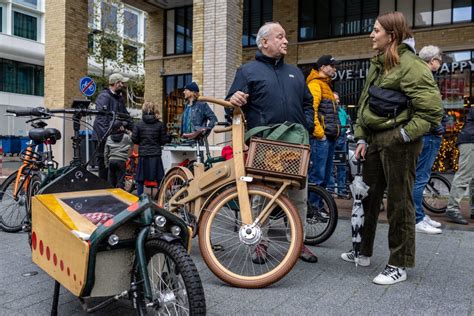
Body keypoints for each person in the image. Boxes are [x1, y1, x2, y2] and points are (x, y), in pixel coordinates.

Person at [340, 12, 443, 285]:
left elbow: (432, 111)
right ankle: (361, 252)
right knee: (369, 198)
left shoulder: (413, 66)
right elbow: (363, 103)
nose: (371, 35)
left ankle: (398, 264)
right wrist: (361, 138)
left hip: (399, 143)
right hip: (374, 140)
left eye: (376, 30)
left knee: (399, 203)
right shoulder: (378, 63)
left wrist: (404, 135)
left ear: (391, 35)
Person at [227, 21, 317, 263]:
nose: (285, 41)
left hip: (296, 144)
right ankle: (258, 243)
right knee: (262, 196)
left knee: (299, 197)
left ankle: (298, 244)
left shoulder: (295, 72)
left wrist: (307, 124)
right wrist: (233, 100)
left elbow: (308, 103)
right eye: (280, 37)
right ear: (264, 42)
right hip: (265, 144)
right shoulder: (247, 71)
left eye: (285, 37)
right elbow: (231, 109)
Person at [412, 45, 445, 234]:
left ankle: (420, 215)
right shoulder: (424, 78)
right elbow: (424, 107)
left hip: (429, 133)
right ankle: (417, 218)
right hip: (428, 134)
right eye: (439, 60)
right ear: (432, 61)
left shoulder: (423, 76)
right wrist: (436, 126)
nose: (439, 64)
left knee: (421, 177)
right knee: (420, 177)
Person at [306, 55, 341, 196]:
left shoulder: (325, 85)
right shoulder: (315, 84)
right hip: (321, 139)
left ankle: (317, 209)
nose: (335, 68)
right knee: (318, 177)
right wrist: (320, 135)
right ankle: (313, 210)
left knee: (324, 178)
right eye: (332, 66)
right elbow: (311, 110)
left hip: (327, 138)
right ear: (322, 67)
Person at [93, 73, 131, 181]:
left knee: (113, 167)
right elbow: (102, 120)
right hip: (102, 137)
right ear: (116, 83)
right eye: (121, 82)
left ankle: (112, 191)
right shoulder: (104, 97)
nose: (123, 85)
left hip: (112, 137)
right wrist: (110, 135)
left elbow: (126, 116)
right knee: (104, 166)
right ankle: (103, 190)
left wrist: (136, 129)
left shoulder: (119, 98)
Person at [444, 104, 474, 224]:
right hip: (471, 142)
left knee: (471, 178)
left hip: (470, 141)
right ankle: (452, 209)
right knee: (464, 176)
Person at [132, 101, 168, 196]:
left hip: (143, 155)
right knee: (160, 178)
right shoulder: (160, 125)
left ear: (143, 110)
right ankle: (162, 198)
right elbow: (163, 140)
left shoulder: (138, 124)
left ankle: (140, 199)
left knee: (140, 179)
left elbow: (134, 139)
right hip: (155, 154)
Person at [328, 92, 351, 196]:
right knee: (331, 166)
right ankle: (331, 189)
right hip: (332, 139)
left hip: (341, 140)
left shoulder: (342, 111)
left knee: (342, 166)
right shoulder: (329, 111)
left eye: (337, 99)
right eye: (334, 98)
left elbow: (347, 124)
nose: (336, 101)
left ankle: (341, 189)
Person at [104, 120, 133, 188]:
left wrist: (106, 163)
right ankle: (120, 195)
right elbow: (132, 143)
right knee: (120, 180)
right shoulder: (126, 137)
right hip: (121, 161)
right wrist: (128, 156)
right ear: (120, 128)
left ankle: (111, 196)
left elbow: (105, 152)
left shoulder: (109, 138)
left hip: (111, 160)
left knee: (111, 181)